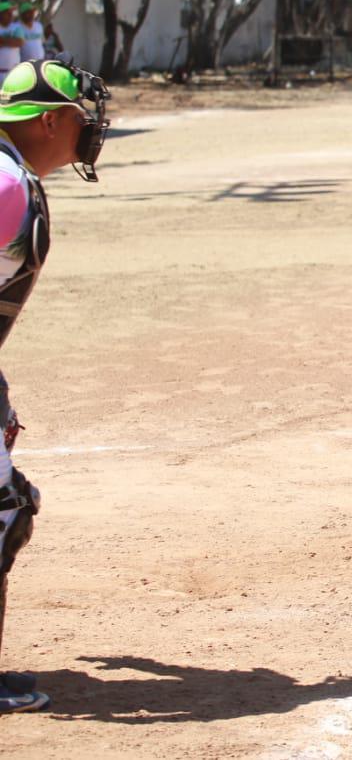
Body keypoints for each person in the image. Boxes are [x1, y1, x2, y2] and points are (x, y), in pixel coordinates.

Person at [0, 59, 113, 715]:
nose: (88, 128)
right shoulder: (6, 182)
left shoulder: (11, 174)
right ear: (48, 121)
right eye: (78, 116)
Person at [0, 5, 23, 74]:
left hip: (13, 72)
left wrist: (2, 41)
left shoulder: (17, 27)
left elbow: (19, 42)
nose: (11, 15)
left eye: (11, 13)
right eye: (7, 13)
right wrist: (11, 40)